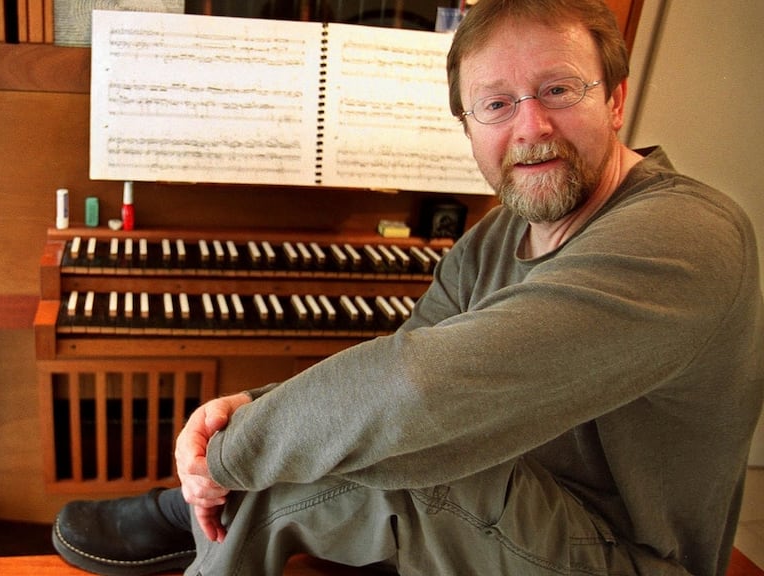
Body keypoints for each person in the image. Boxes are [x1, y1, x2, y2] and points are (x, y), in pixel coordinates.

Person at [53, 0, 764, 574]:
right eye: (496, 104)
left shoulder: (686, 235)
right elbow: (409, 351)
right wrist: (246, 407)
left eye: (558, 90)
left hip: (626, 556)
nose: (532, 128)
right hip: (522, 509)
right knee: (372, 432)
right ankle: (206, 520)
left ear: (615, 101)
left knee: (417, 452)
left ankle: (199, 531)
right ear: (467, 125)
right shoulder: (497, 233)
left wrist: (224, 458)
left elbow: (423, 387)